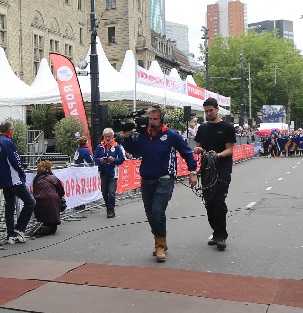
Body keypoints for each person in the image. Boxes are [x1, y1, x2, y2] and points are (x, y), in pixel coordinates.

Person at [120, 105, 197, 262]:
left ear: (162, 119)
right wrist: (127, 137)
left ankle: (160, 246)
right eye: (150, 119)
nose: (152, 122)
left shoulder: (172, 135)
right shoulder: (143, 135)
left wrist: (192, 172)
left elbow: (187, 152)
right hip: (146, 179)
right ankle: (160, 240)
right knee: (150, 214)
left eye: (155, 119)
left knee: (157, 211)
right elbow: (135, 151)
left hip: (165, 179)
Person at [193, 98, 237, 251]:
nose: (208, 113)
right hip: (207, 169)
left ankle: (221, 235)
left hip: (222, 169)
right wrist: (197, 150)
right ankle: (216, 232)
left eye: (211, 110)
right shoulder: (203, 128)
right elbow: (197, 147)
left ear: (217, 109)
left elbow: (230, 149)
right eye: (206, 111)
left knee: (219, 200)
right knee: (209, 202)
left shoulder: (227, 127)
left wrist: (217, 155)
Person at [0, 121, 35, 243]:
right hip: (13, 178)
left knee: (10, 206)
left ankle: (11, 234)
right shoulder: (7, 142)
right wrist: (22, 173)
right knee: (30, 202)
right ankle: (19, 229)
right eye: (13, 130)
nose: (13, 132)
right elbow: (15, 160)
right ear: (9, 130)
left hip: (4, 178)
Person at [92, 127, 125, 218]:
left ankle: (111, 210)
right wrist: (100, 160)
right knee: (104, 192)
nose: (107, 138)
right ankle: (108, 207)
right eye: (105, 136)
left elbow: (122, 159)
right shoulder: (100, 147)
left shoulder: (116, 147)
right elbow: (94, 159)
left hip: (113, 173)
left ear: (112, 136)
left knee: (111, 192)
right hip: (103, 172)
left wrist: (114, 160)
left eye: (109, 136)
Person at [31, 160, 65, 235]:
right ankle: (42, 230)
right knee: (53, 227)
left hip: (38, 202)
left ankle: (42, 228)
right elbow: (62, 192)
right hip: (52, 203)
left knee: (45, 221)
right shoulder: (53, 178)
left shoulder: (36, 179)